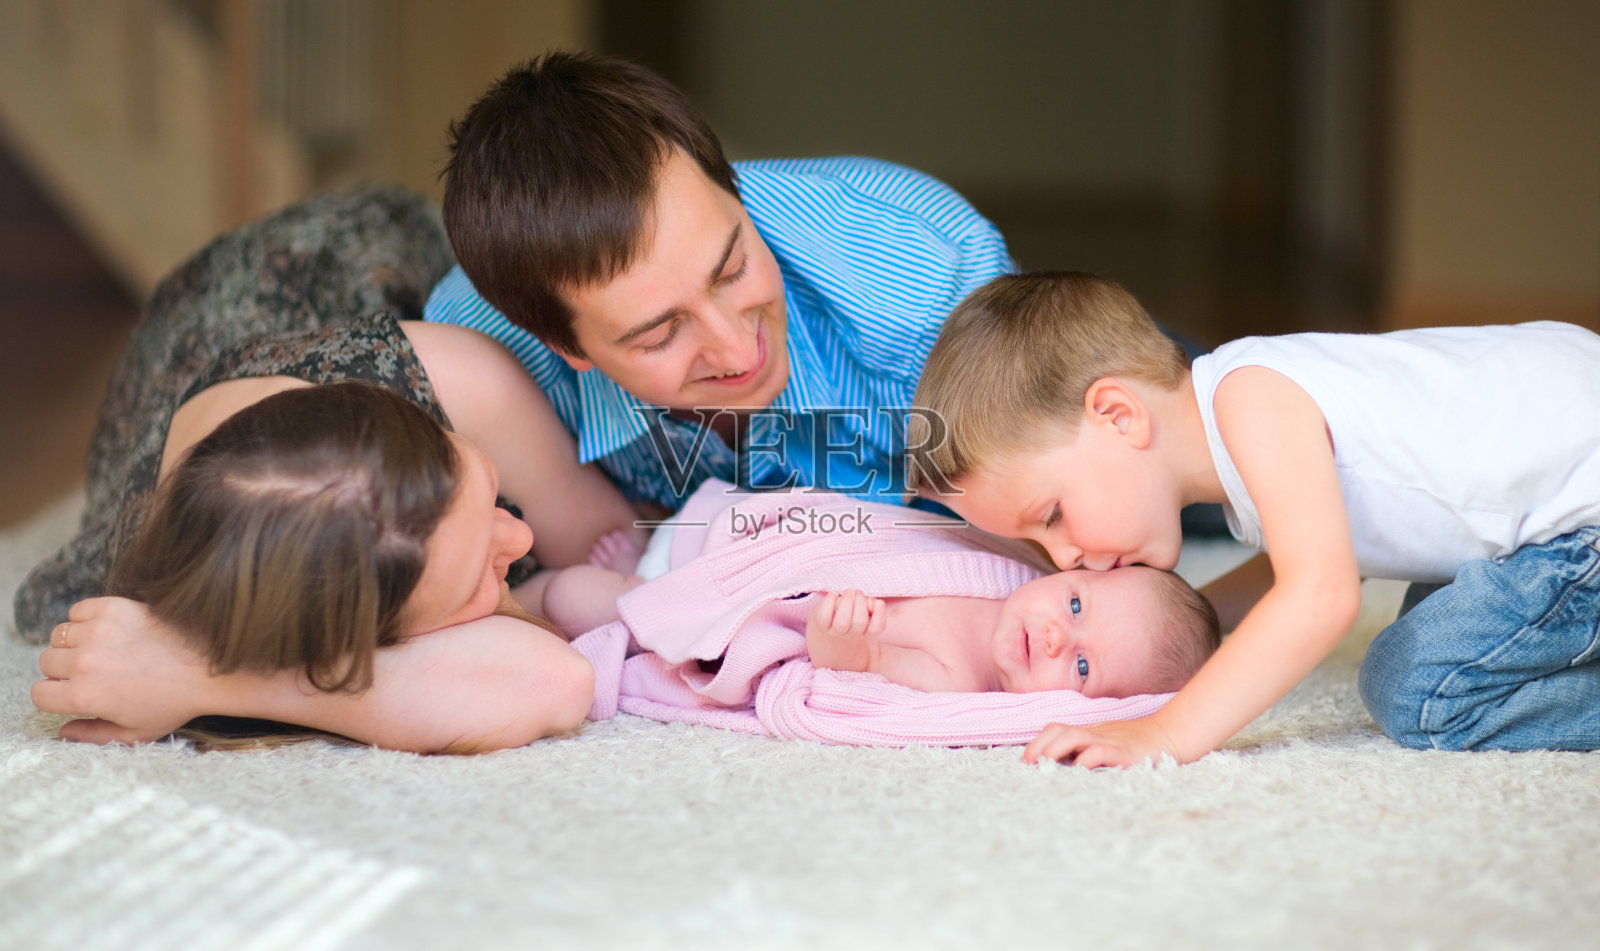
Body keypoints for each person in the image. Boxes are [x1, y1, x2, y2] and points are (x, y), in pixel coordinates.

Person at [20, 186, 644, 753]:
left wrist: (198, 674)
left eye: (489, 490)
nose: (524, 537)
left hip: (334, 253)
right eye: (474, 575)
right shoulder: (158, 589)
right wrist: (213, 679)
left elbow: (624, 551)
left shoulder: (464, 382)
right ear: (355, 646)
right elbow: (553, 681)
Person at [908, 270, 1600, 766]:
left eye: (1053, 514)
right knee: (1442, 606)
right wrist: (1178, 621)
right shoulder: (1240, 402)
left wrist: (1167, 731)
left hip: (1581, 514)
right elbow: (1306, 550)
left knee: (1416, 681)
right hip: (1553, 478)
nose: (1063, 557)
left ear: (1118, 414)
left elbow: (1319, 593)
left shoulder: (1254, 405)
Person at [425, 51, 1016, 507]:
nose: (737, 351)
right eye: (658, 335)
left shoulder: (933, 277)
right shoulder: (479, 359)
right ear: (567, 344)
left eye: (732, 270)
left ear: (733, 189)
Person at [541, 488, 1219, 700]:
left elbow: (865, 667)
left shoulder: (959, 681)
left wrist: (842, 642)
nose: (1053, 634)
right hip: (757, 557)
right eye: (1075, 607)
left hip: (752, 617)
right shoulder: (1016, 566)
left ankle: (641, 590)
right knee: (665, 548)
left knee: (572, 597)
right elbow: (902, 530)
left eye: (1080, 665)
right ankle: (653, 565)